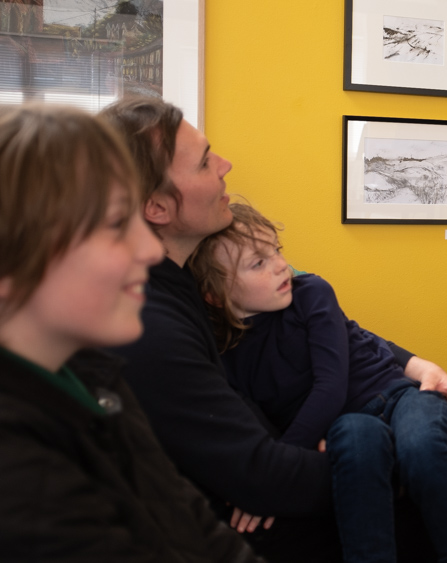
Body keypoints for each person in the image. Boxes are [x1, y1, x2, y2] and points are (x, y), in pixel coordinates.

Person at [94, 97, 447, 563]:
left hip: (292, 456)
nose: (225, 165)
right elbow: (258, 475)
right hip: (237, 513)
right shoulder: (150, 322)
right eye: (204, 162)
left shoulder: (184, 282)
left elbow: (332, 325)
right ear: (157, 206)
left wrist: (415, 364)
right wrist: (419, 464)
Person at [0, 104, 263, 561]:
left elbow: (190, 522)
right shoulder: (18, 469)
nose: (146, 248)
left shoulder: (94, 376)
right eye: (115, 225)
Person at [187, 202, 447, 563]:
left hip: (398, 398)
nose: (279, 265)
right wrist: (266, 484)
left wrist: (279, 471)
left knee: (421, 448)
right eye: (258, 262)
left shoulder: (310, 292)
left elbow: (330, 385)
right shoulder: (222, 352)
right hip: (346, 424)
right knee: (357, 440)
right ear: (214, 294)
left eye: (276, 250)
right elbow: (255, 419)